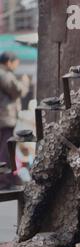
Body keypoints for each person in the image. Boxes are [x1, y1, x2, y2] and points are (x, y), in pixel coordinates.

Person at [0, 52, 30, 189]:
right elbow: (17, 91)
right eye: (16, 62)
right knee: (7, 150)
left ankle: (9, 177)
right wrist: (24, 82)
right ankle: (4, 179)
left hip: (4, 119)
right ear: (9, 62)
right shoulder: (4, 74)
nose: (17, 65)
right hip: (5, 119)